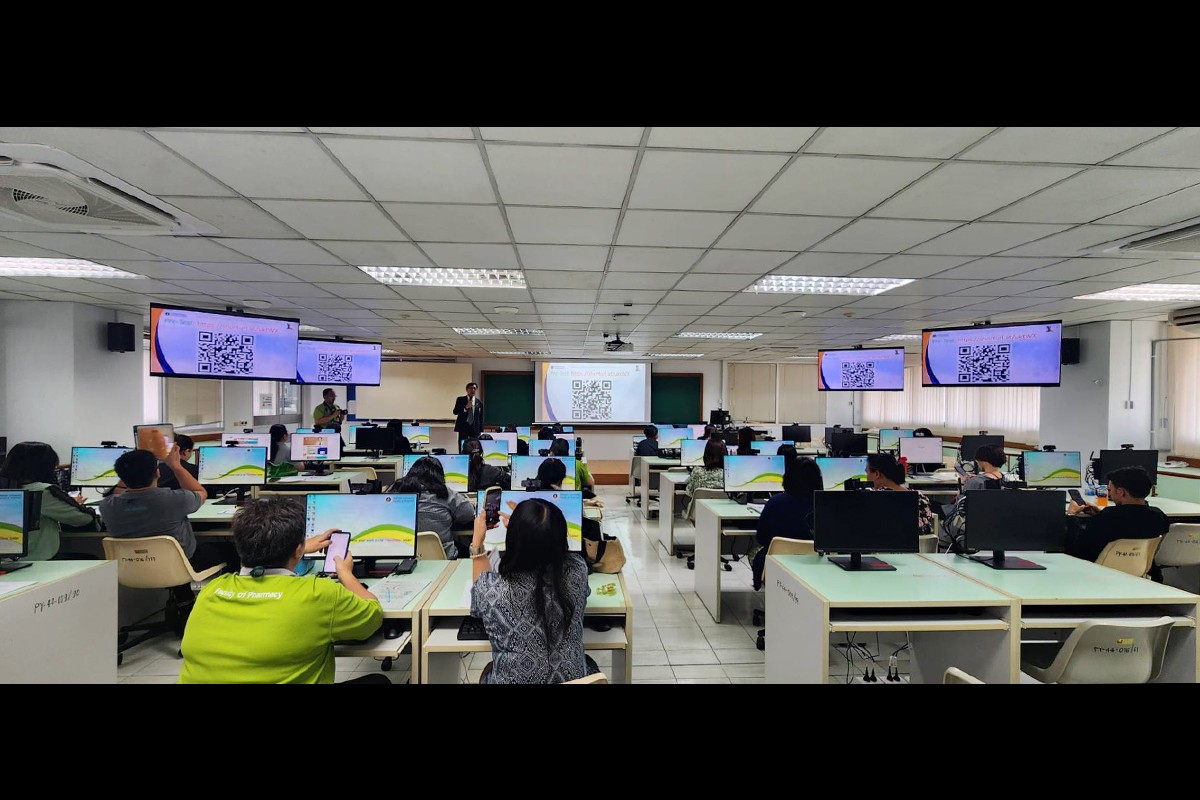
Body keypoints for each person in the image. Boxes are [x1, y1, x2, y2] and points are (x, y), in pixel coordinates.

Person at [179, 497, 386, 684]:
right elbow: (372, 617)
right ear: (298, 550)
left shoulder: (211, 591)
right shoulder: (318, 593)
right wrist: (346, 574)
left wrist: (300, 548)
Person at [468, 497, 596, 683]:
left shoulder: (493, 590)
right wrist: (530, 530)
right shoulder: (578, 570)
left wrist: (477, 543)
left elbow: (478, 596)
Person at [101, 446, 234, 573]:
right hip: (179, 566)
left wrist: (129, 468)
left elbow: (118, 492)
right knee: (232, 550)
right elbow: (201, 493)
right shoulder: (175, 499)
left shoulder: (107, 506)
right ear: (157, 472)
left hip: (130, 568)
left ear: (122, 478)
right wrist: (176, 466)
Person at [0, 441, 99, 561]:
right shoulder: (42, 491)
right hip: (35, 559)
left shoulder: (6, 489)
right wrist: (75, 504)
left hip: (7, 560)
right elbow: (83, 519)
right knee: (94, 558)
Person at [1066, 466, 1169, 580]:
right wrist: (1099, 514)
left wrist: (1071, 516)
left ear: (1121, 492)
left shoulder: (1107, 518)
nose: (1109, 495)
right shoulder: (1158, 515)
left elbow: (1080, 550)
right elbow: (1133, 522)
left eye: (1110, 490)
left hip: (1100, 574)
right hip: (1141, 573)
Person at [752, 457, 823, 590]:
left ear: (788, 478)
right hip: (817, 564)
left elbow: (761, 538)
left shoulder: (775, 502)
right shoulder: (824, 505)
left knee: (754, 551)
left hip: (778, 564)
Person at [389, 456, 474, 558]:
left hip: (401, 555)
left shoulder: (395, 492)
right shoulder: (446, 494)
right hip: (443, 557)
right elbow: (469, 514)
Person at [866, 453, 934, 537]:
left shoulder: (874, 498)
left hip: (885, 543)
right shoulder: (920, 497)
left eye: (867, 472)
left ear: (877, 474)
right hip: (919, 545)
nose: (867, 477)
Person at [453, 382, 484, 447]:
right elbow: (455, 412)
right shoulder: (460, 400)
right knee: (462, 444)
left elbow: (481, 417)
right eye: (471, 388)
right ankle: (462, 453)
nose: (473, 390)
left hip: (475, 428)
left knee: (474, 445)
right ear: (467, 390)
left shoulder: (479, 403)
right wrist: (465, 408)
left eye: (474, 388)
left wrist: (481, 430)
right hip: (463, 426)